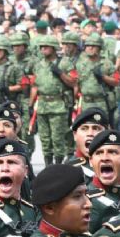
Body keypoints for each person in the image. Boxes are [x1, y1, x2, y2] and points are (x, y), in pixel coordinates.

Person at [30, 35, 76, 166]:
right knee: (44, 138)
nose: (43, 49)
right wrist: (30, 104)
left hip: (58, 104)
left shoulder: (65, 63)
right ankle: (48, 164)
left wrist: (60, 73)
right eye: (41, 47)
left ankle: (58, 164)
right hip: (43, 103)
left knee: (57, 137)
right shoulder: (38, 65)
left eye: (46, 47)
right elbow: (34, 85)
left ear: (54, 48)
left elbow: (73, 83)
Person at [86, 130, 120, 233]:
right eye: (99, 153)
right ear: (91, 161)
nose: (105, 158)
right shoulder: (85, 202)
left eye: (112, 152)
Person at [66, 107, 110, 182]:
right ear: (75, 135)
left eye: (96, 128)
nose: (90, 134)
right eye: (84, 128)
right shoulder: (68, 171)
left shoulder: (118, 166)